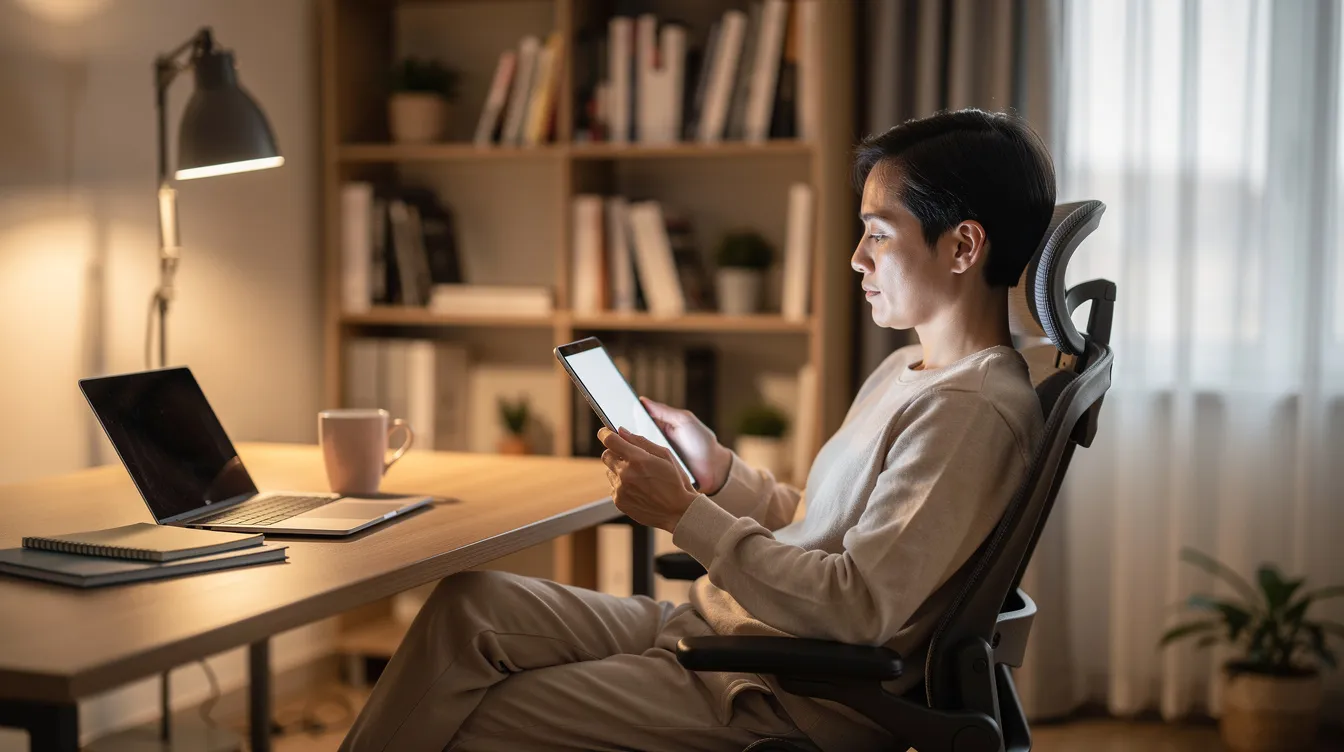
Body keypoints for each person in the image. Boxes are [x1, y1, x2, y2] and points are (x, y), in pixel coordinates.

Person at [340, 108, 1056, 752]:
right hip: (724, 631)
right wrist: (719, 475)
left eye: (877, 235)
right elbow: (819, 528)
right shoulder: (912, 368)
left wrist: (686, 515)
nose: (856, 259)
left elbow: (856, 605)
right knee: (469, 606)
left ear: (963, 247)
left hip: (780, 691)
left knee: (465, 713)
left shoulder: (968, 413)